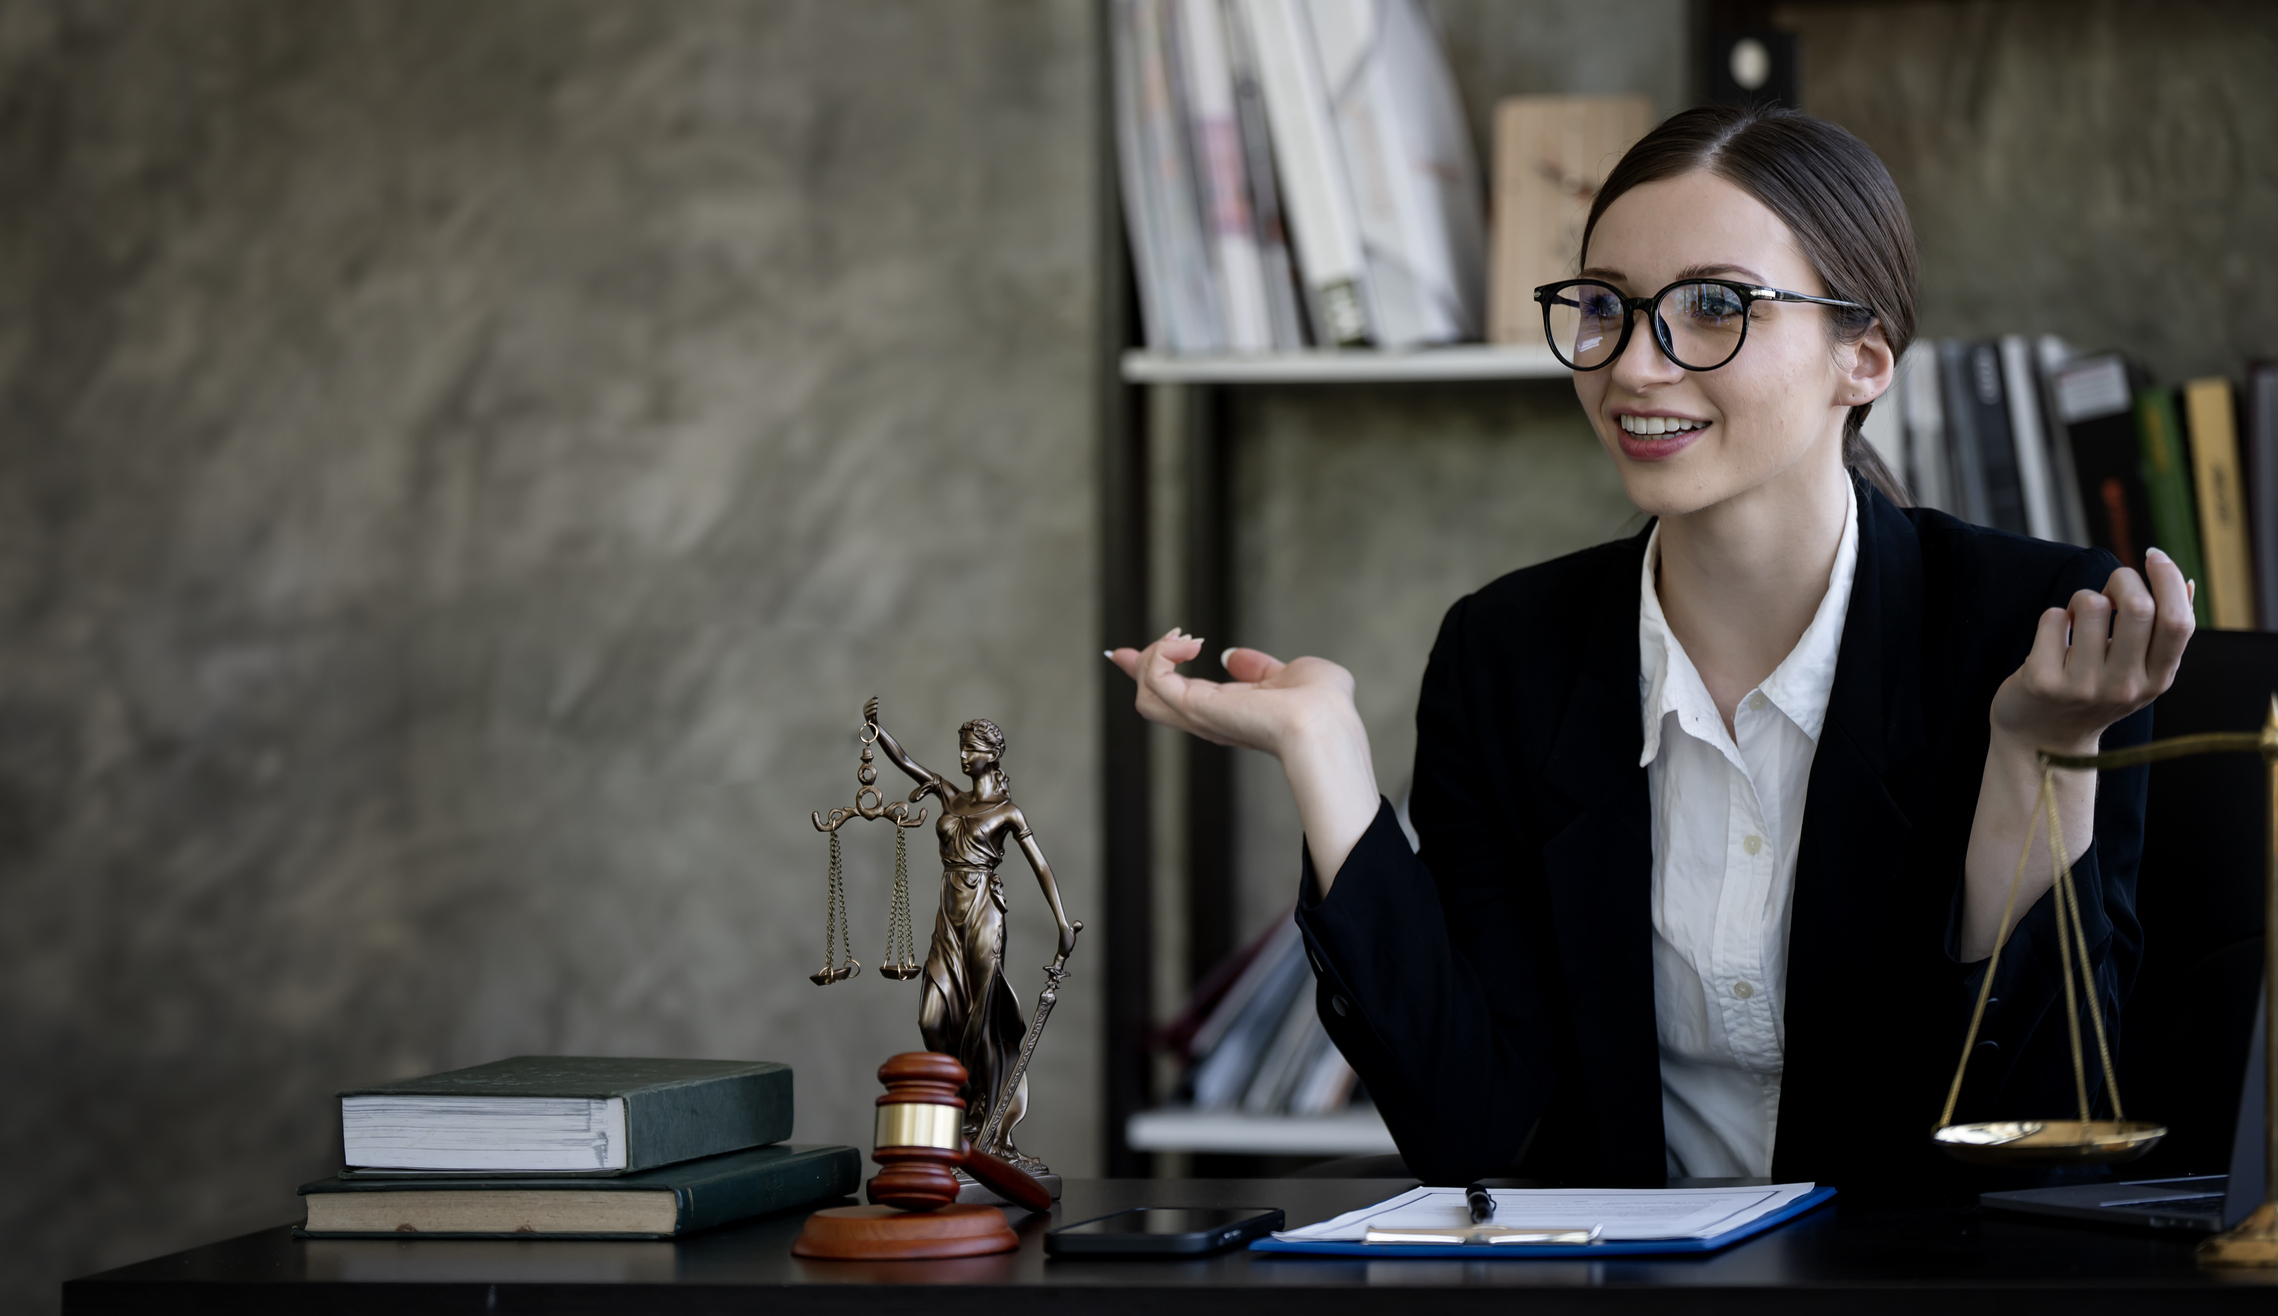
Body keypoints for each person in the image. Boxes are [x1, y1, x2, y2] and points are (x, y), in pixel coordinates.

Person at [1109, 105, 2195, 1192]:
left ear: (1862, 358)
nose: (1633, 365)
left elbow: (2042, 1138)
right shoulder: (1503, 657)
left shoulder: (2036, 632)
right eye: (1603, 306)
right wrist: (1326, 754)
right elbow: (1472, 1134)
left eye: (1713, 306)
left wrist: (2036, 754)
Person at [871, 714, 1079, 1173]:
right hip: (948, 918)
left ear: (993, 754)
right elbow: (907, 763)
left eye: (972, 749)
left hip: (984, 913)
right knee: (932, 1019)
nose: (964, 756)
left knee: (984, 1021)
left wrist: (1063, 923)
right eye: (961, 748)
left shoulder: (1008, 812)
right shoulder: (952, 795)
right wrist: (876, 730)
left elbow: (1041, 867)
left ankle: (991, 1126)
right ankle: (964, 1106)